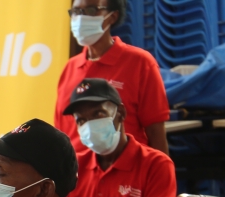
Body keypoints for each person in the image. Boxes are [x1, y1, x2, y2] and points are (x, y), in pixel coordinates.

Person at [56, 0, 170, 156]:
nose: (81, 18)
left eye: (90, 10)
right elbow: (62, 135)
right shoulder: (69, 69)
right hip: (79, 175)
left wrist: (162, 174)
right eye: (76, 12)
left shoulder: (139, 63)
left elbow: (156, 131)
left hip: (128, 172)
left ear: (112, 16)